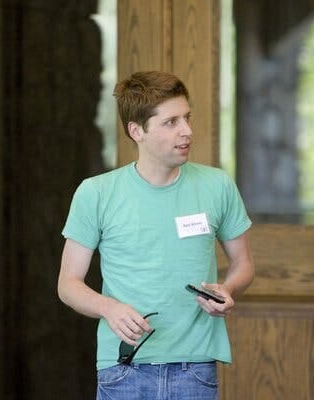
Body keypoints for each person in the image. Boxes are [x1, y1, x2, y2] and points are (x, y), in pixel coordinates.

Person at [58, 71, 254, 399]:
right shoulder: (96, 193)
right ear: (137, 131)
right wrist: (109, 308)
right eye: (171, 122)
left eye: (187, 118)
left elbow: (244, 263)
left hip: (196, 368)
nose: (187, 131)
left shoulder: (217, 185)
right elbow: (68, 284)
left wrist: (227, 289)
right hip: (123, 367)